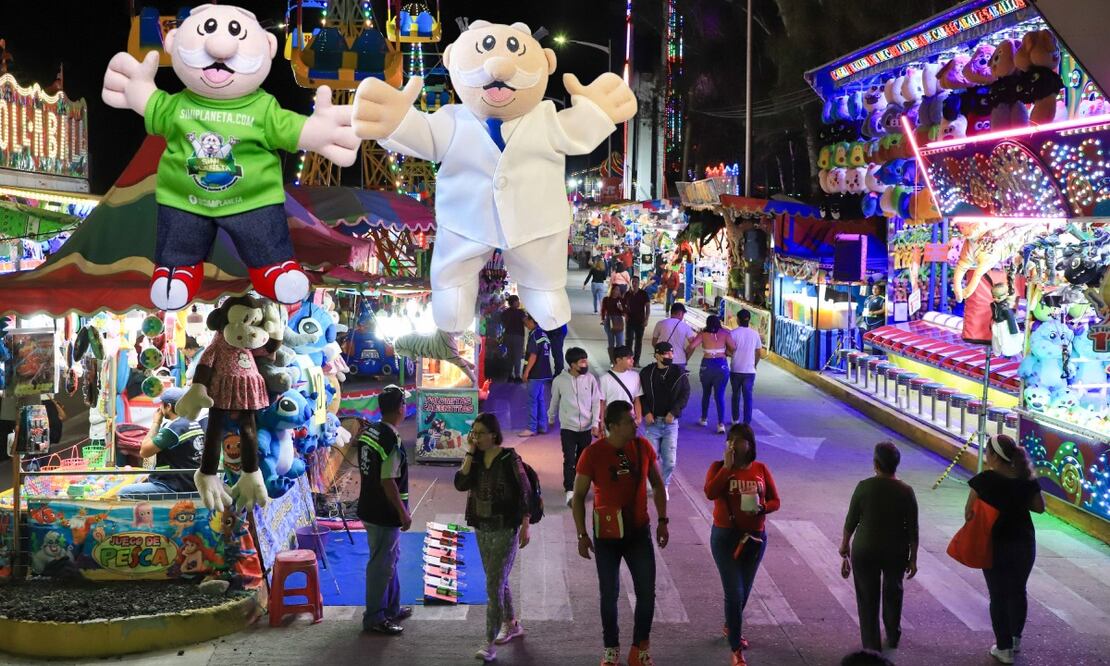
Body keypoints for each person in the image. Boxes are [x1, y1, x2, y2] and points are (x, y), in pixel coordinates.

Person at [572, 400, 670, 666]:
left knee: (646, 592)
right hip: (607, 534)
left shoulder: (643, 447)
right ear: (613, 426)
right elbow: (578, 496)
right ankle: (610, 648)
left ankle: (640, 648)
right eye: (629, 421)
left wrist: (663, 520)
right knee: (609, 594)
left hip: (639, 532)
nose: (635, 424)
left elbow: (658, 485)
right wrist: (582, 535)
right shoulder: (593, 454)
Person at [454, 413, 532, 662]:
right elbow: (460, 483)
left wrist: (525, 525)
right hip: (482, 527)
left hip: (505, 528)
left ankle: (489, 643)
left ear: (493, 435)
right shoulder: (475, 459)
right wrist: (469, 452)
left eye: (480, 433)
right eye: (473, 433)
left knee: (493, 584)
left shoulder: (509, 458)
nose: (476, 437)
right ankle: (512, 623)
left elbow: (525, 491)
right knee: (497, 579)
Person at [704, 424, 781, 666]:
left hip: (754, 539)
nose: (734, 445)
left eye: (739, 441)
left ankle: (731, 625)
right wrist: (727, 468)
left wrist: (762, 508)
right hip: (725, 537)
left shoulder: (760, 469)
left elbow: (775, 500)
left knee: (744, 591)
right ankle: (736, 648)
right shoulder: (718, 467)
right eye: (730, 441)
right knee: (734, 593)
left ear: (750, 444)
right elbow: (710, 492)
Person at [966, 434, 1044, 665]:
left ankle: (1004, 648)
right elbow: (1040, 507)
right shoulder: (1026, 479)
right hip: (1024, 543)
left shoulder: (983, 480)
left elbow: (968, 513)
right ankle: (1015, 639)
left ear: (993, 456)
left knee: (998, 595)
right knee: (1018, 591)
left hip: (995, 544)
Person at [839, 442, 919, 655]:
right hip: (895, 551)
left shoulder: (864, 487)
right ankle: (892, 635)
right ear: (896, 464)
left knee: (867, 597)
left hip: (865, 549)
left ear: (875, 464)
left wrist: (844, 545)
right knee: (894, 591)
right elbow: (913, 529)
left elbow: (851, 520)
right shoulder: (906, 491)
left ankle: (871, 644)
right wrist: (913, 558)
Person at [358, 385, 413, 635]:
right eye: (404, 404)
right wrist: (403, 513)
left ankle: (391, 608)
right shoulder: (390, 440)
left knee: (389, 559)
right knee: (381, 566)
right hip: (384, 512)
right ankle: (375, 617)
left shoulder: (370, 432)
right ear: (400, 408)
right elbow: (388, 481)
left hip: (369, 506)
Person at [117, 387, 205, 498]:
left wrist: (156, 422)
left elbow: (144, 452)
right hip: (191, 483)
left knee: (124, 492)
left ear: (168, 406)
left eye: (161, 404)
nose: (159, 408)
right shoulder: (193, 422)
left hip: (174, 486)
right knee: (139, 478)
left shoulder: (174, 429)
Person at [548, 347, 602, 507]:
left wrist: (595, 423)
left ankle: (580, 487)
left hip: (586, 428)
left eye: (586, 361)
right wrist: (551, 416)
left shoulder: (590, 379)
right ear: (572, 364)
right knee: (569, 459)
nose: (586, 364)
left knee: (582, 461)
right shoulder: (559, 381)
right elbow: (554, 400)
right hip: (568, 428)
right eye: (582, 362)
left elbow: (596, 402)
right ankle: (570, 490)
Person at [639, 342, 690, 492]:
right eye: (666, 353)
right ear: (657, 355)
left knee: (670, 461)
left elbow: (685, 394)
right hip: (652, 423)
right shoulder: (647, 373)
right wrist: (646, 412)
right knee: (650, 457)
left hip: (671, 424)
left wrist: (674, 412)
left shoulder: (679, 373)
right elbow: (641, 395)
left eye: (672, 353)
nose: (670, 356)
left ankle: (664, 485)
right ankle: (652, 483)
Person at [688, 315, 731, 434]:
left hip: (707, 366)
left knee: (706, 393)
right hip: (721, 365)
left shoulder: (703, 334)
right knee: (720, 395)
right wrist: (725, 351)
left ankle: (704, 419)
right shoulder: (725, 333)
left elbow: (692, 346)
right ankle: (721, 424)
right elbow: (733, 347)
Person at [520, 313, 554, 437]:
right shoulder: (543, 334)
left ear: (532, 321)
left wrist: (526, 372)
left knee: (532, 401)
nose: (526, 324)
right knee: (540, 399)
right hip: (544, 372)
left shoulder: (534, 335)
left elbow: (533, 355)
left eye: (527, 321)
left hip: (535, 373)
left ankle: (531, 427)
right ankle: (542, 426)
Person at [727, 310, 763, 426]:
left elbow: (728, 351)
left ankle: (735, 419)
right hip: (749, 371)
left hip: (736, 369)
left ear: (738, 320)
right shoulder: (755, 334)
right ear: (749, 320)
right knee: (748, 397)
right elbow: (759, 352)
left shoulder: (733, 333)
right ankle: (747, 422)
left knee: (735, 395)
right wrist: (755, 364)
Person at [599, 345, 643, 427]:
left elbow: (637, 399)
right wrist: (602, 422)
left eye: (632, 358)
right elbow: (602, 403)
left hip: (630, 420)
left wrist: (639, 418)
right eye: (629, 358)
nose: (632, 361)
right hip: (612, 422)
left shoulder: (635, 376)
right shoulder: (604, 379)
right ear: (618, 360)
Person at [651, 303, 696, 371]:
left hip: (663, 360)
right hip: (680, 360)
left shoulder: (660, 324)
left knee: (663, 377)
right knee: (679, 378)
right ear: (680, 313)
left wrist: (661, 352)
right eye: (683, 315)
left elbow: (654, 342)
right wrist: (686, 358)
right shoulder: (686, 327)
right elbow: (692, 346)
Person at [624, 276, 652, 366]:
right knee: (628, 340)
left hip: (640, 321)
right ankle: (628, 359)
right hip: (630, 320)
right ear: (630, 283)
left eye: (636, 282)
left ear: (639, 283)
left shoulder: (643, 294)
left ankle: (636, 361)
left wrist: (646, 319)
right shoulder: (627, 294)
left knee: (638, 341)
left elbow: (647, 307)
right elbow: (624, 306)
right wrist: (625, 314)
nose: (634, 284)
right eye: (633, 282)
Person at [501, 295, 526, 383]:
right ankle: (517, 376)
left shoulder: (505, 312)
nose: (519, 302)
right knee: (517, 356)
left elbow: (503, 323)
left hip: (507, 336)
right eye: (517, 301)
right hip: (518, 336)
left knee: (509, 356)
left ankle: (509, 375)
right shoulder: (521, 312)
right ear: (514, 302)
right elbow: (526, 322)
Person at [601, 285, 628, 362]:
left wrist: (621, 308)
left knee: (619, 343)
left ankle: (618, 360)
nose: (616, 291)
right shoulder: (606, 299)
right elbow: (603, 310)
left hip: (618, 321)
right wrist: (603, 319)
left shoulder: (621, 300)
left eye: (618, 290)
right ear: (612, 290)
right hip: (609, 321)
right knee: (611, 342)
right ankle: (612, 361)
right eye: (615, 289)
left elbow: (625, 313)